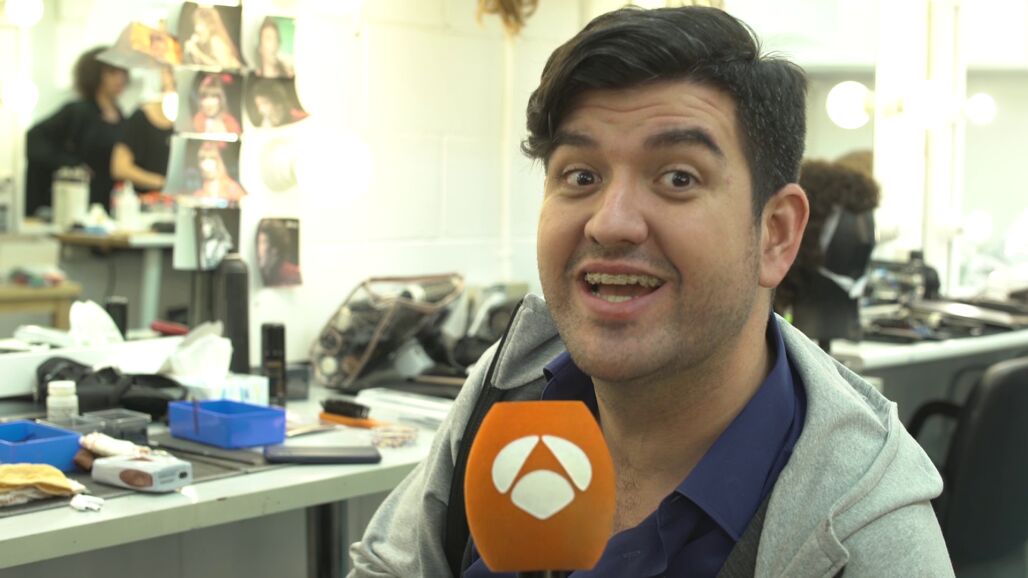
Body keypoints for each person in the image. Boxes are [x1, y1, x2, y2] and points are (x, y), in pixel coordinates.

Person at [349, 6, 953, 578]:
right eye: (581, 175)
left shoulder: (865, 536)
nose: (610, 222)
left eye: (678, 178)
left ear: (775, 234)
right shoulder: (511, 384)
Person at [25, 46, 127, 216]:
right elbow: (33, 140)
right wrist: (72, 163)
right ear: (96, 74)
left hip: (109, 203)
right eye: (112, 72)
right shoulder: (77, 112)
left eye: (123, 72)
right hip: (75, 200)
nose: (120, 78)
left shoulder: (123, 118)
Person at [111, 66, 175, 194]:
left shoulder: (194, 122)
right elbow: (120, 168)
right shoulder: (140, 118)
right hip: (146, 198)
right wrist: (162, 183)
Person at [183, 5, 242, 69]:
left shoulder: (216, 41)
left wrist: (198, 54)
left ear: (211, 26)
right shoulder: (208, 43)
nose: (196, 28)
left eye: (200, 23)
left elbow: (224, 68)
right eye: (196, 23)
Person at [256, 220, 301, 286]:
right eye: (258, 242)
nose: (258, 248)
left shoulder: (293, 274)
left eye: (263, 242)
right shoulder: (264, 274)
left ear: (275, 249)